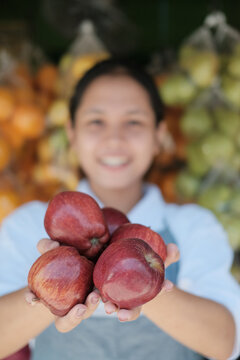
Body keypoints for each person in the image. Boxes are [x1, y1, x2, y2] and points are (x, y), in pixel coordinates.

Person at [0, 58, 239, 360]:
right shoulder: (29, 224)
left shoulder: (193, 226)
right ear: (72, 133)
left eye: (134, 122)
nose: (114, 138)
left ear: (159, 136)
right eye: (96, 122)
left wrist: (142, 285)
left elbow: (226, 342)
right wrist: (56, 283)